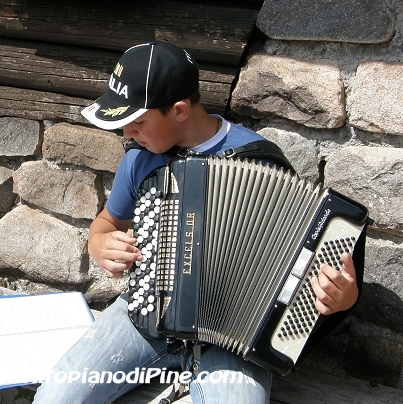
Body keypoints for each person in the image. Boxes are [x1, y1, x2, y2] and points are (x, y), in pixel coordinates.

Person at [32, 41, 359, 404]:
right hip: (146, 314)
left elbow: (306, 272)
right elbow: (107, 222)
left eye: (137, 122)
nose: (126, 134)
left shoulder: (262, 161)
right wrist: (99, 241)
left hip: (233, 341)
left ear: (180, 110)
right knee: (58, 396)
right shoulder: (140, 161)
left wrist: (342, 298)